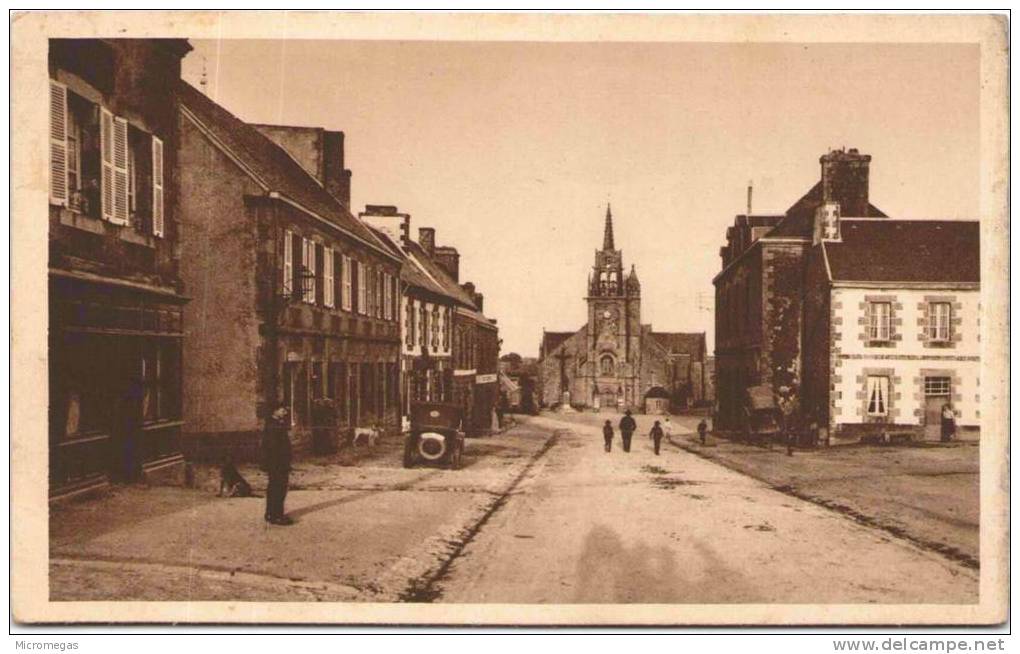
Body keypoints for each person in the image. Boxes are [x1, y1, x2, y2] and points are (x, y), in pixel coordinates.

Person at [262, 406, 294, 526]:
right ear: (274, 410)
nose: (285, 412)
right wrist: (282, 462)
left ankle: (271, 513)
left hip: (276, 463)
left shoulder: (274, 423)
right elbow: (274, 447)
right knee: (279, 488)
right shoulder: (273, 425)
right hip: (277, 463)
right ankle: (276, 516)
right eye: (282, 410)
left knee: (274, 488)